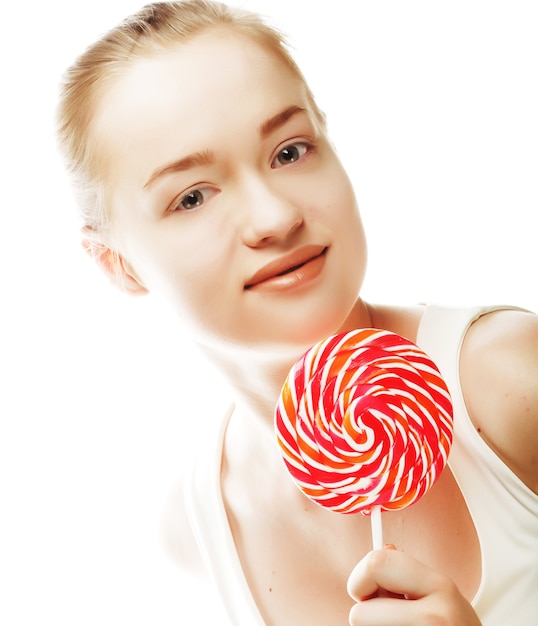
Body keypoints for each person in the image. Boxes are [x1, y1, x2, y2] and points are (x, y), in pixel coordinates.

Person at [56, 1, 538, 624]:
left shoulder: (509, 378)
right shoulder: (197, 530)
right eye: (192, 196)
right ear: (117, 264)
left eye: (289, 151)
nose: (276, 217)